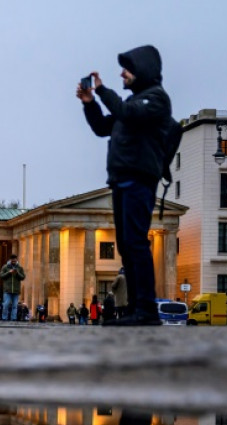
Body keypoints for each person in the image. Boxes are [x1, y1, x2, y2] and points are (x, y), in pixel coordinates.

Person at [79, 45, 172, 326]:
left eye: (127, 69)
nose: (122, 73)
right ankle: (135, 308)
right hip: (121, 181)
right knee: (126, 246)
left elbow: (126, 113)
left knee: (136, 243)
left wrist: (102, 90)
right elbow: (101, 127)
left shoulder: (155, 100)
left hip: (139, 179)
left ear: (142, 70)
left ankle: (147, 309)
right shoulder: (132, 104)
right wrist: (89, 103)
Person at [0, 254, 26, 321]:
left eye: (15, 260)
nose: (14, 262)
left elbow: (23, 277)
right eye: (12, 260)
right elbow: (1, 275)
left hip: (16, 290)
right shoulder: (5, 267)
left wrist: (17, 273)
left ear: (16, 260)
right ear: (10, 260)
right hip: (7, 290)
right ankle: (4, 317)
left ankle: (13, 318)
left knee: (15, 306)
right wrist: (9, 272)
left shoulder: (20, 268)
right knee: (6, 304)